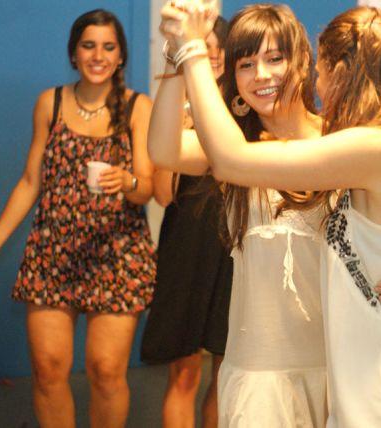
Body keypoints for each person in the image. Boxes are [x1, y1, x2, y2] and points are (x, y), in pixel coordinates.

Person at [152, 3, 381, 427]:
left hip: (342, 365)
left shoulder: (343, 142)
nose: (262, 75)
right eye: (246, 64)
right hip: (264, 372)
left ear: (305, 62)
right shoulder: (242, 145)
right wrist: (176, 57)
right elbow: (164, 150)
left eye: (275, 58)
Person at [0, 9, 156, 428]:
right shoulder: (49, 103)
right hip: (52, 253)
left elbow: (147, 188)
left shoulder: (138, 107)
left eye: (108, 47)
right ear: (74, 53)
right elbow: (29, 182)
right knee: (48, 370)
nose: (98, 55)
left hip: (118, 255)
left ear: (121, 56)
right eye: (89, 45)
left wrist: (127, 180)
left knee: (106, 371)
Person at [140, 16, 231, 428]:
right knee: (185, 372)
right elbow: (162, 192)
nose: (213, 53)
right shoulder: (175, 106)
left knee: (228, 374)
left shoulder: (247, 110)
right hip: (186, 246)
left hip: (236, 247)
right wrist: (182, 126)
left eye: (219, 45)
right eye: (203, 45)